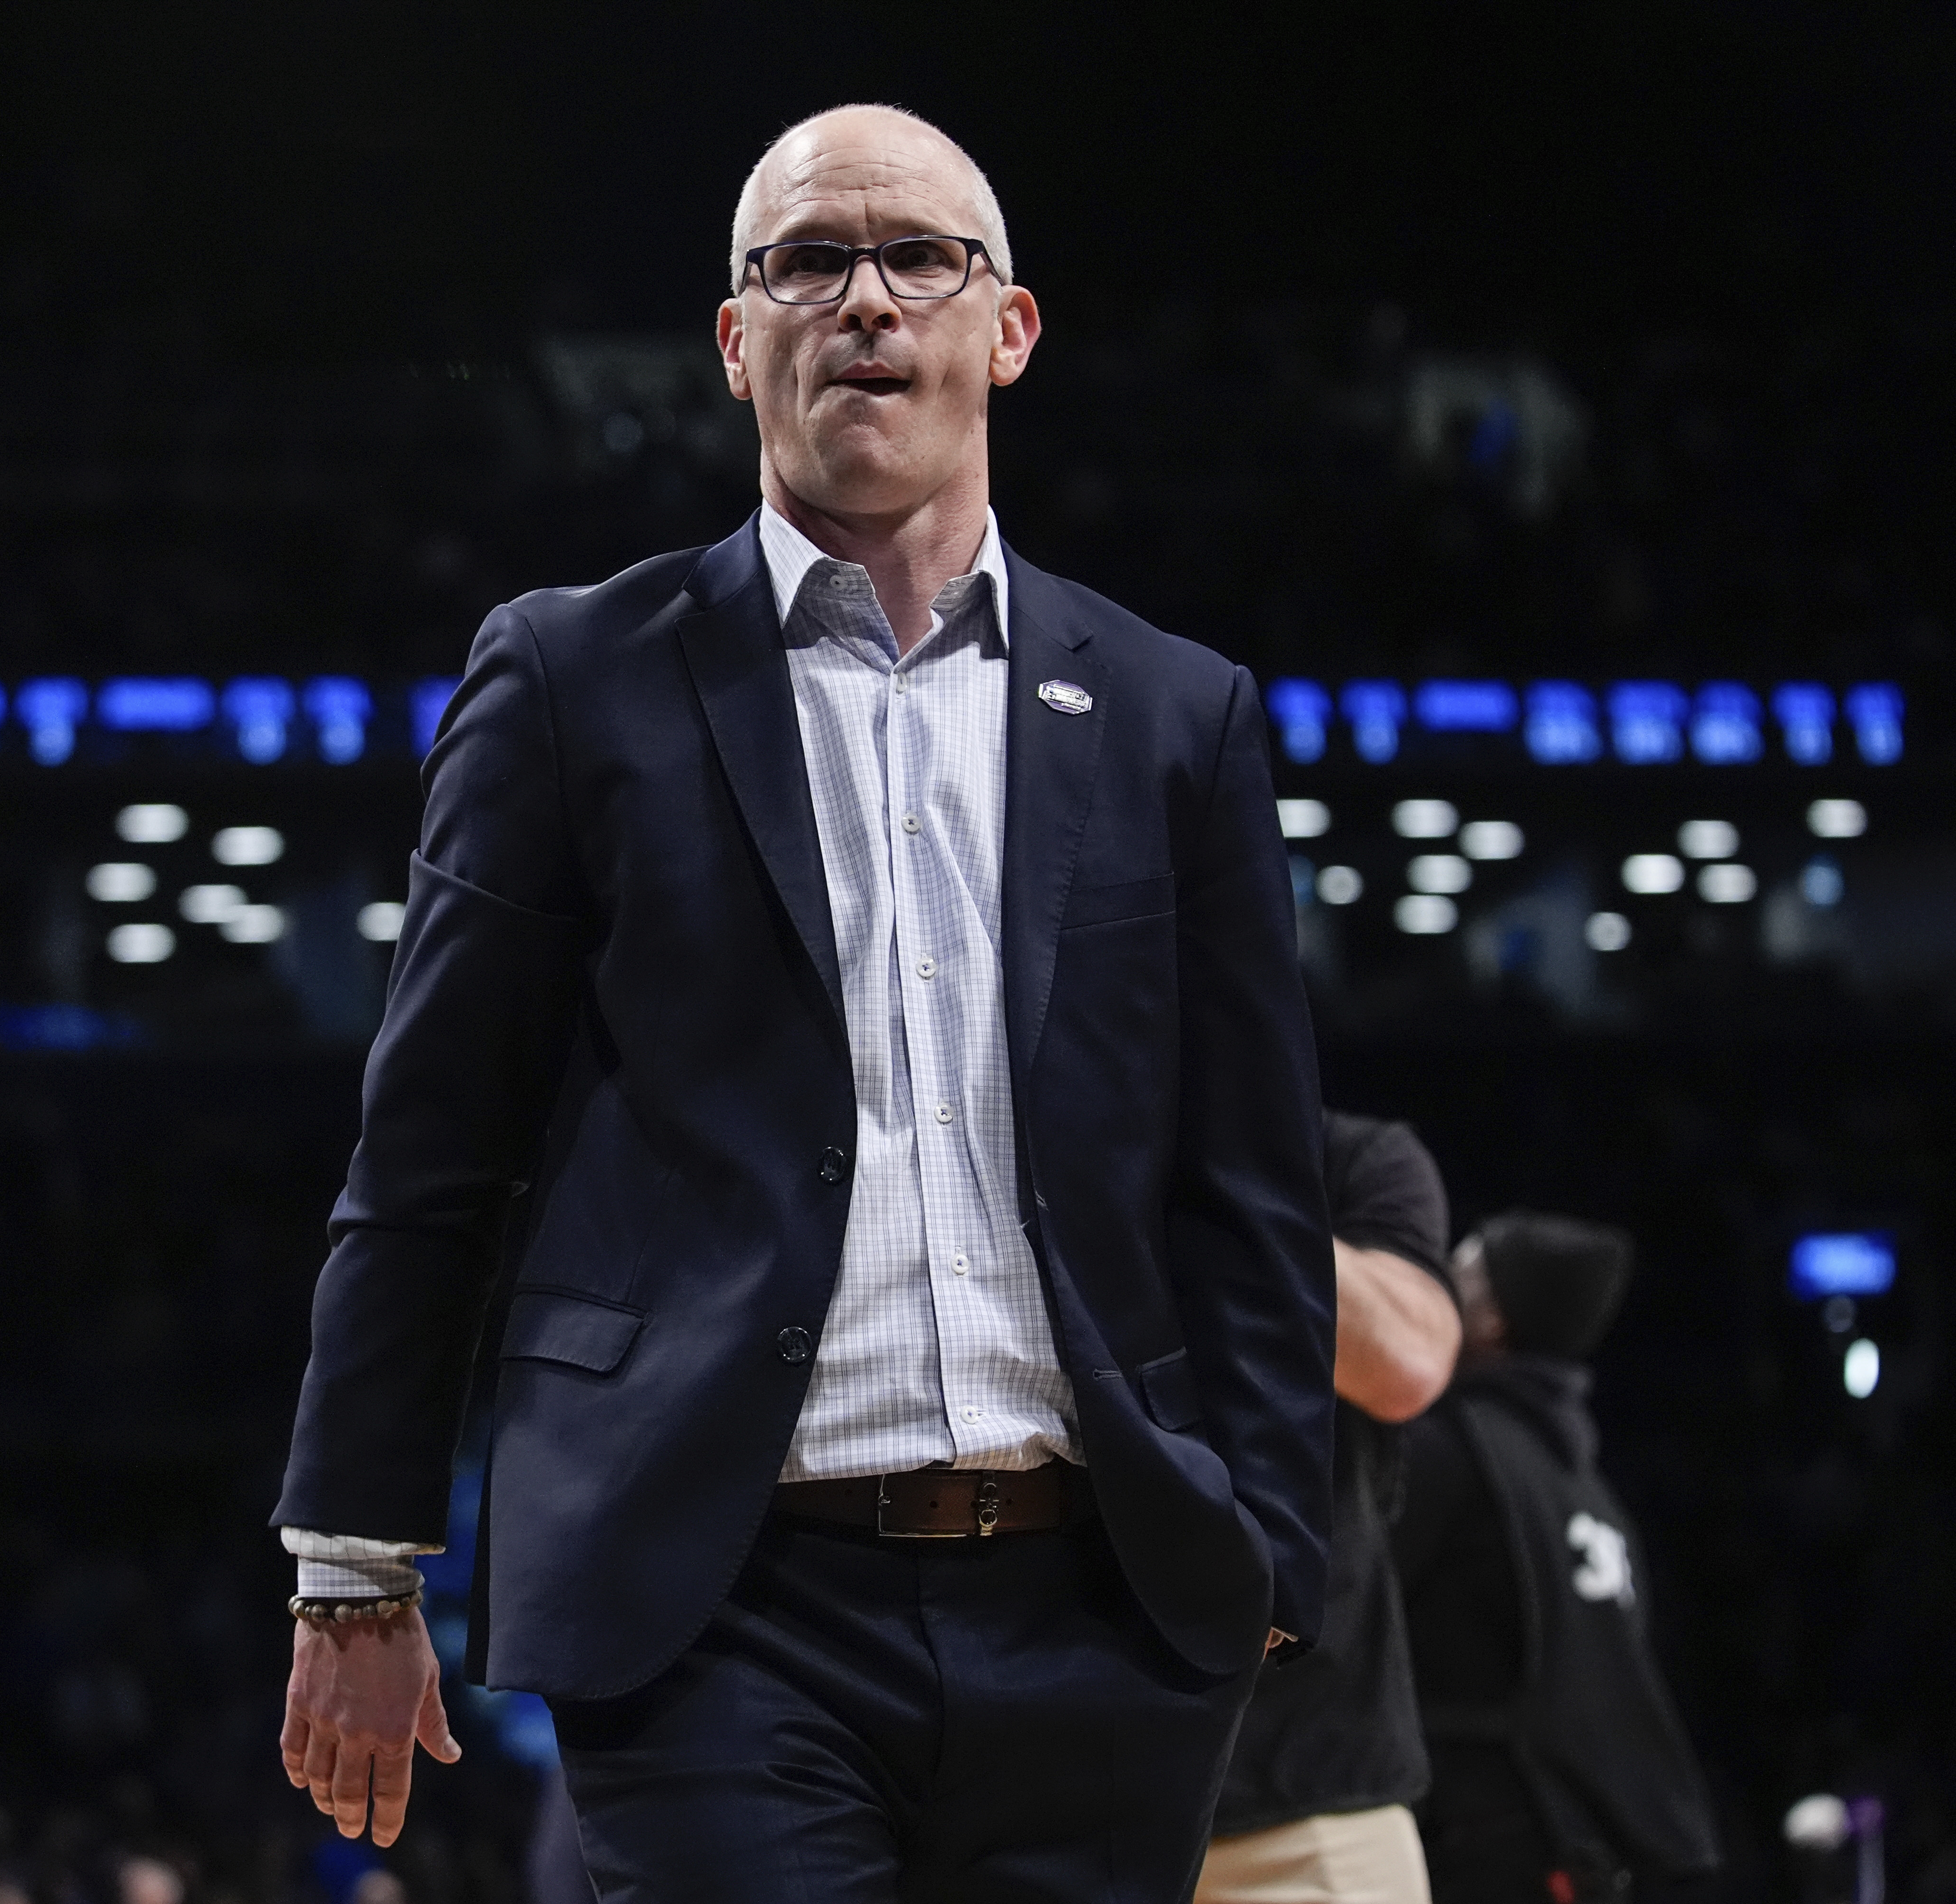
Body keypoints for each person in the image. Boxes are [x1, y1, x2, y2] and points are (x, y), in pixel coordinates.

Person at [272, 102, 1336, 1903]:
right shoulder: (563, 678)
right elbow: (429, 1151)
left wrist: (1268, 1550)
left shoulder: (1177, 712)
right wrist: (357, 1563)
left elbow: (1250, 1183)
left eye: (917, 257)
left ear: (1003, 329)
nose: (864, 301)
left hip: (1101, 1611)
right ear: (733, 338)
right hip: (715, 1610)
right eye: (807, 262)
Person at [1393, 1212, 1722, 1903]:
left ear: (1492, 1322)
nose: (1437, 1281)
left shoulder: (1451, 1450)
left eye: (1462, 1270)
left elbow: (1341, 1607)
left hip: (1475, 1844)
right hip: (1575, 1842)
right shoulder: (1590, 1489)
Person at [1199, 1113, 1462, 1903]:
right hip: (1057, 1782)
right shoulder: (1023, 1139)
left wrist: (1217, 1166)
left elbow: (1408, 1365)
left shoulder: (1348, 1159)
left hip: (1305, 1802)